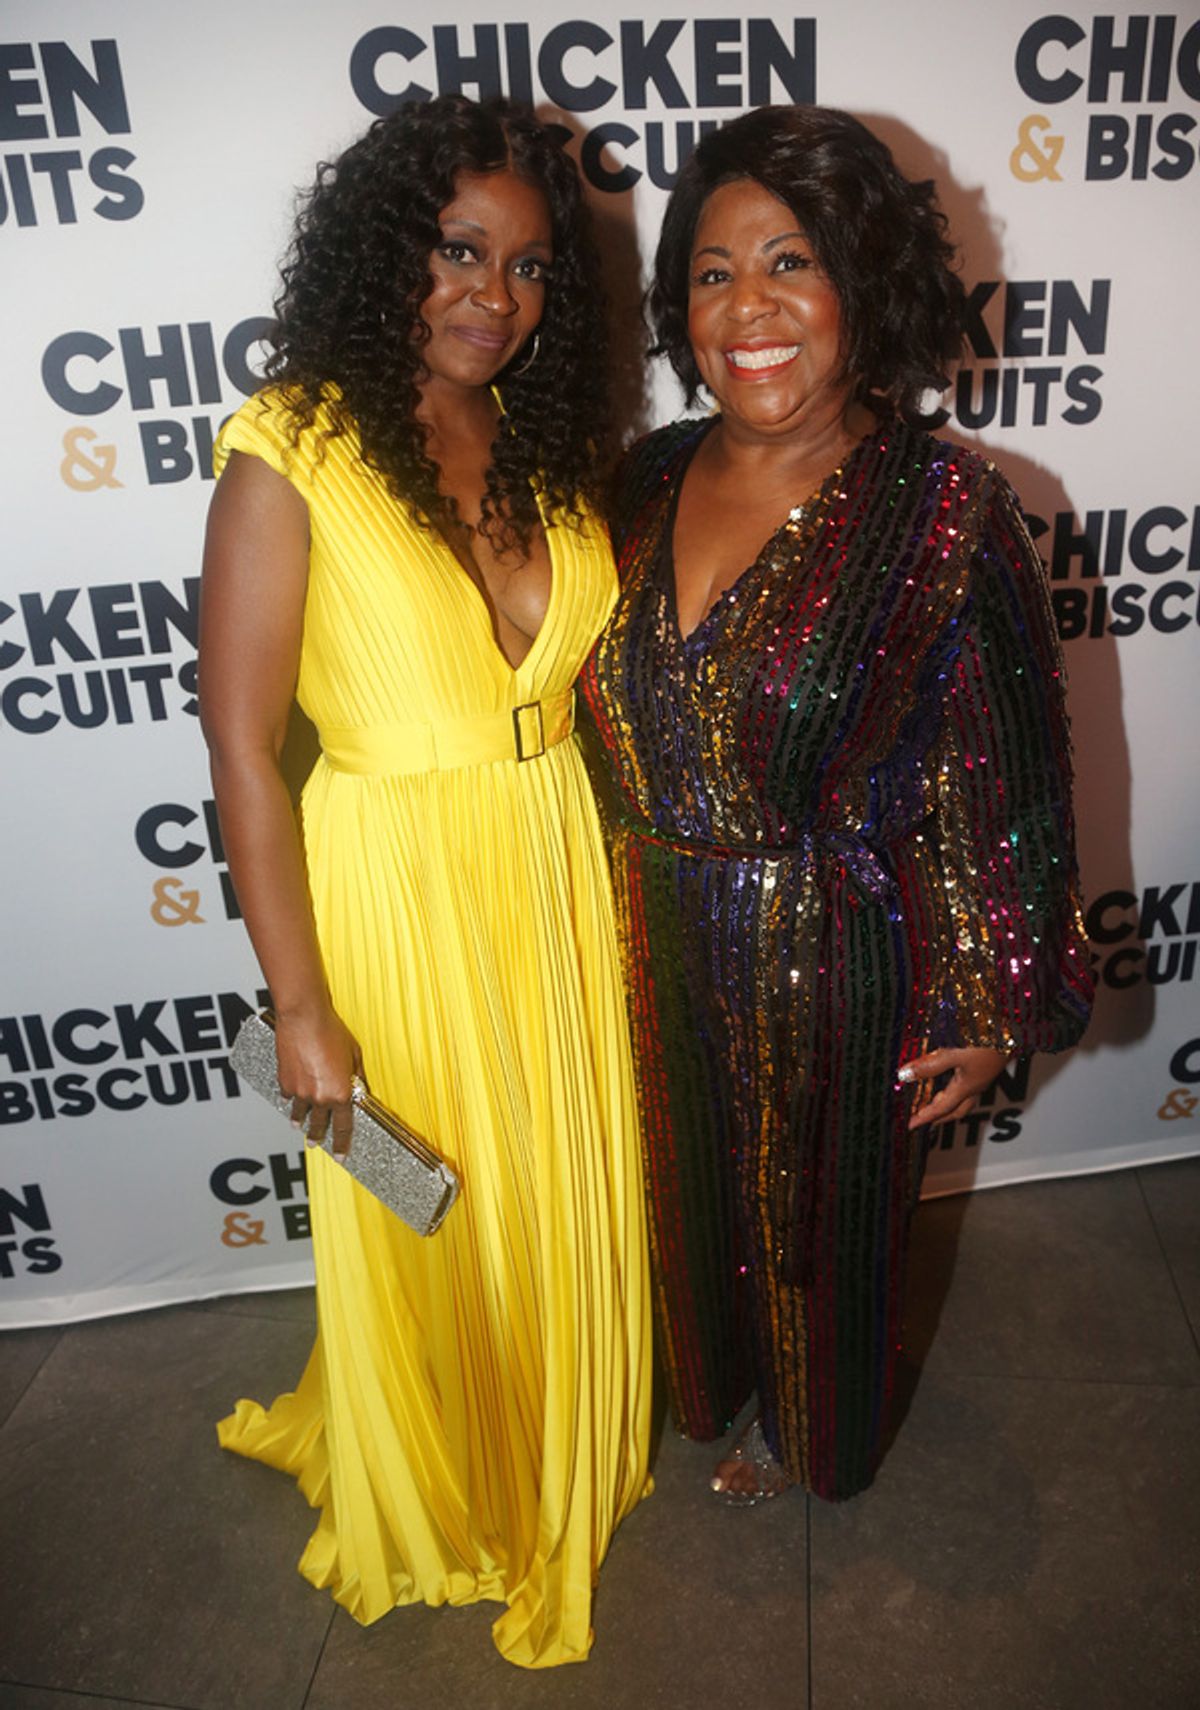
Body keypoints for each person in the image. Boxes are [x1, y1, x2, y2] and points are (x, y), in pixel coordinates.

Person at [577, 105, 1093, 1505]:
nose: (749, 307)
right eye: (712, 269)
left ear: (862, 283)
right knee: (687, 1207)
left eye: (791, 261)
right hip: (650, 936)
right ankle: (713, 1393)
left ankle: (821, 1439)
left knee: (826, 1230)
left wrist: (988, 1001)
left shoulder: (947, 511)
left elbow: (1006, 778)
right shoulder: (635, 482)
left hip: (840, 956)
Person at [198, 94, 651, 1668]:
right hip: (390, 886)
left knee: (550, 1192)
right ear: (392, 247)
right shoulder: (292, 446)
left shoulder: (543, 440)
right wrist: (299, 1010)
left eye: (530, 270)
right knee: (427, 1204)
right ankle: (446, 1479)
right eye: (461, 250)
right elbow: (248, 749)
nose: (493, 295)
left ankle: (556, 1433)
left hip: (553, 874)